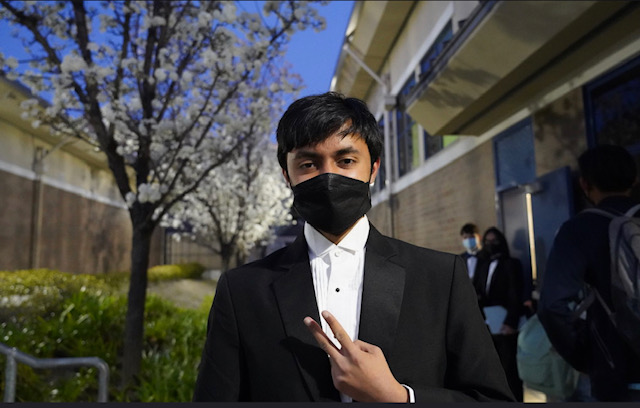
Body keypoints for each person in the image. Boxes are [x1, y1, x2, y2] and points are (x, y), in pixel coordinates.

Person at [192, 92, 514, 402]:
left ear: (373, 168)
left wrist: (400, 398)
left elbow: (493, 398)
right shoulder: (242, 291)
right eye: (308, 164)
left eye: (346, 160)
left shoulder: (441, 278)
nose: (328, 176)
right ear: (286, 176)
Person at [537, 144, 640, 402]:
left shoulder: (579, 229)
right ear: (635, 179)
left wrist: (585, 358)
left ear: (584, 184)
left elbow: (552, 306)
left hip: (620, 374)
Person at [473, 227, 524, 401]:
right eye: (487, 241)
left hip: (505, 325)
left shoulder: (511, 264)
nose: (490, 244)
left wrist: (511, 322)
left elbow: (515, 295)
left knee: (509, 370)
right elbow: (478, 289)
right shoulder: (483, 264)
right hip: (488, 323)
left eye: (494, 241)